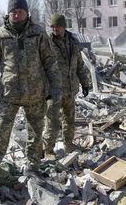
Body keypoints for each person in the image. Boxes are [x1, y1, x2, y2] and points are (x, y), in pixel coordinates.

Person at [0, 0, 62, 193]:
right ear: (8, 13)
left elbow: (50, 61)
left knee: (36, 131)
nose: (17, 14)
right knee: (0, 131)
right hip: (10, 94)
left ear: (27, 13)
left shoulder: (38, 33)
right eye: (13, 11)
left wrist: (56, 86)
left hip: (35, 93)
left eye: (20, 11)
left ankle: (32, 168)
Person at [43, 14, 91, 158]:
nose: (54, 29)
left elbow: (80, 65)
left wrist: (85, 83)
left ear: (63, 27)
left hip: (70, 89)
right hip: (54, 90)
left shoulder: (73, 42)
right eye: (52, 27)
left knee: (69, 120)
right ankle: (48, 150)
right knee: (52, 122)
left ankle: (69, 145)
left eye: (57, 26)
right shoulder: (47, 43)